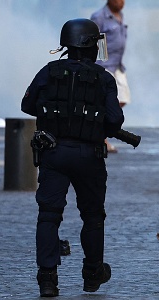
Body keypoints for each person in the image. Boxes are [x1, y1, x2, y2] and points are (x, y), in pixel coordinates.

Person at [21, 18, 124, 297]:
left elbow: (27, 104)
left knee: (49, 215)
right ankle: (92, 274)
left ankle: (47, 279)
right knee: (92, 216)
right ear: (91, 46)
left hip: (53, 152)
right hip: (89, 156)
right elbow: (115, 121)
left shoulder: (49, 71)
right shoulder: (104, 79)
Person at [90, 0, 130, 153]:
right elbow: (92, 39)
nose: (122, 1)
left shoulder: (119, 15)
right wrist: (97, 63)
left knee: (122, 99)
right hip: (104, 65)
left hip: (117, 65)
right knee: (106, 101)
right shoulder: (99, 16)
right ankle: (101, 137)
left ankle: (101, 129)